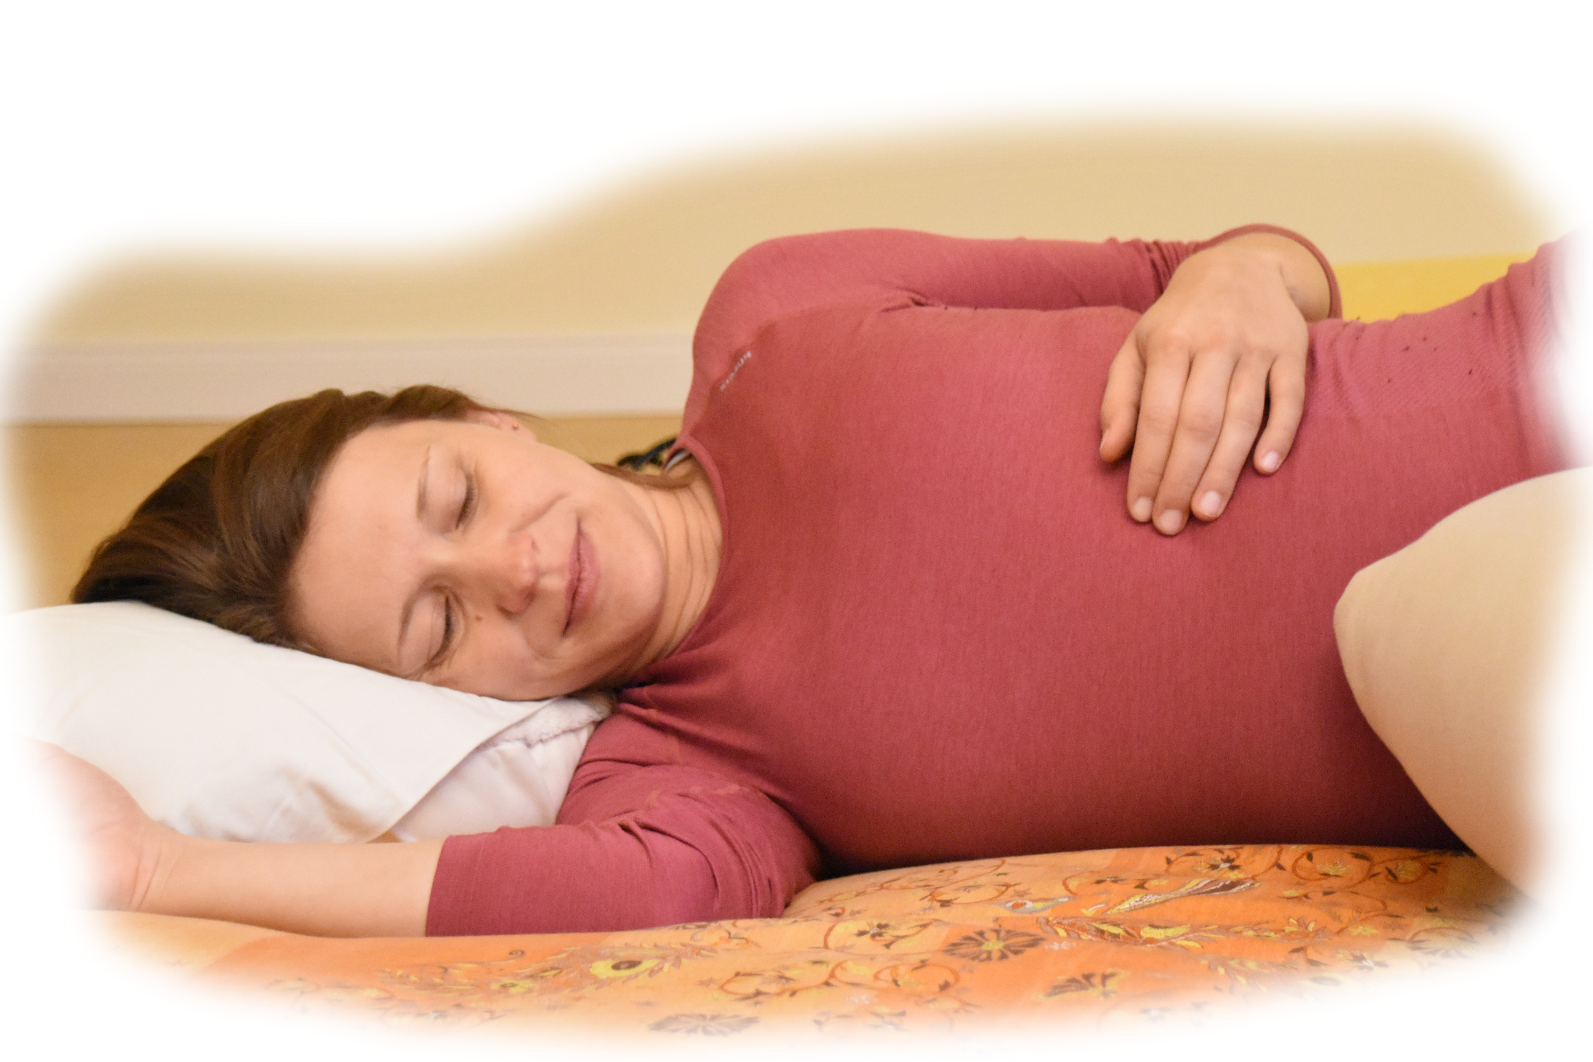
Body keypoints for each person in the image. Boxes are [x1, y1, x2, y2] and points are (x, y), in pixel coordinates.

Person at [11, 221, 1592, 938]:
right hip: (1541, 647)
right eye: (440, 624)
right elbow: (607, 898)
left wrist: (1247, 278)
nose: (517, 567)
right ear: (429, 700)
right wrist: (157, 873)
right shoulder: (688, 772)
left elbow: (1204, 259)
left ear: (486, 418)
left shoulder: (778, 310)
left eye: (460, 496)